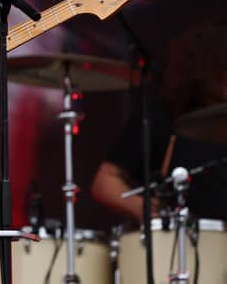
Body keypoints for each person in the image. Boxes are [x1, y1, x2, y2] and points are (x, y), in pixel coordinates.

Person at [91, 22, 227, 223]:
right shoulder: (162, 118)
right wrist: (142, 207)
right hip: (178, 241)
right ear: (208, 71)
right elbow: (105, 182)